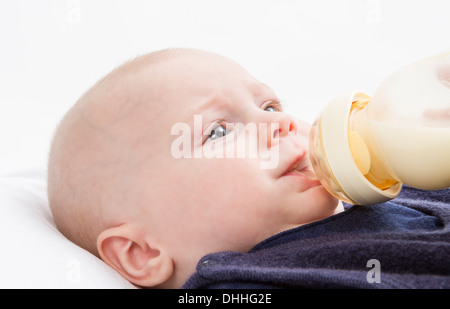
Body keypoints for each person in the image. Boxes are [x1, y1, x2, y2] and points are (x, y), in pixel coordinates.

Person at [47, 48, 450, 289]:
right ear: (142, 252)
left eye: (269, 106)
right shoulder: (243, 283)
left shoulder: (405, 183)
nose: (281, 124)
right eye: (218, 131)